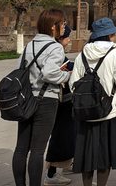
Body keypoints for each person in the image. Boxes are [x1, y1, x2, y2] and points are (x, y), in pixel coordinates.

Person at [12, 9, 72, 186]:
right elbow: (49, 74)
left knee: (22, 148)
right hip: (46, 101)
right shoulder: (55, 47)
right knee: (38, 150)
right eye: (62, 24)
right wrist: (67, 76)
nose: (64, 27)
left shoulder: (29, 45)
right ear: (53, 27)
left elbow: (19, 70)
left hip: (26, 100)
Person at [69, 18, 116, 186]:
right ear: (110, 35)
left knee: (86, 154)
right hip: (110, 110)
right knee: (106, 153)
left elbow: (73, 83)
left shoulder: (83, 53)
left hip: (86, 111)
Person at [43, 24, 77, 185]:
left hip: (63, 99)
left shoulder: (52, 49)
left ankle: (67, 163)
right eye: (67, 37)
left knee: (69, 133)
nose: (69, 40)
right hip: (58, 100)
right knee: (60, 135)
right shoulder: (55, 49)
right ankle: (51, 174)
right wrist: (69, 73)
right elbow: (57, 71)